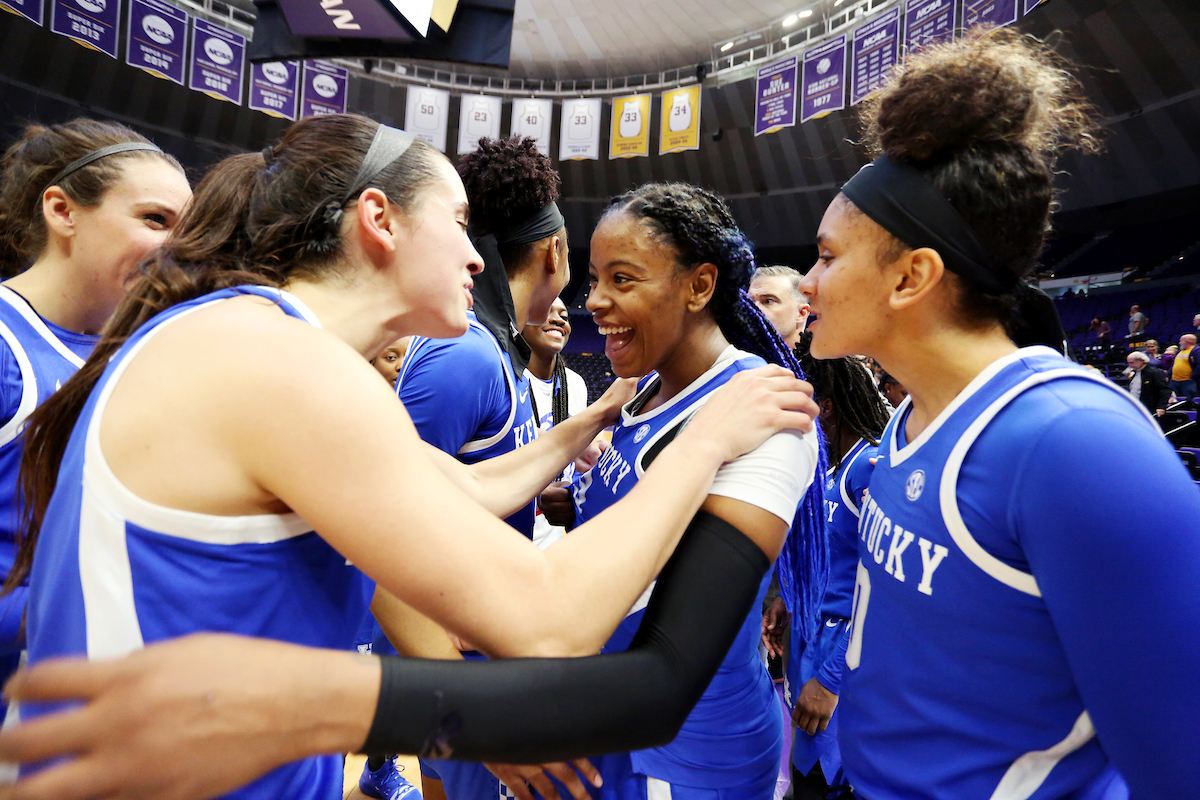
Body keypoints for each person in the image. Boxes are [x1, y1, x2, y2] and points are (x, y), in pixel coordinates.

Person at [0, 116, 818, 799]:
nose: (477, 256)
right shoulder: (275, 362)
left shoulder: (257, 341)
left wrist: (589, 421)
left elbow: (463, 488)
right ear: (380, 219)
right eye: (458, 222)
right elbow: (548, 620)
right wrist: (707, 439)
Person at [799, 29, 1200, 799]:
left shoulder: (1075, 445)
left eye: (826, 256)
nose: (808, 283)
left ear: (911, 277)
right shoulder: (906, 421)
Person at [543, 182, 823, 800]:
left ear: (699, 286)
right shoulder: (644, 389)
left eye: (622, 279)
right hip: (613, 716)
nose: (594, 301)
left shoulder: (762, 410)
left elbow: (670, 620)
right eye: (595, 279)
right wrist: (578, 498)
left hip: (686, 750)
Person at [0, 119, 188, 719]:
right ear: (62, 211)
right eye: (155, 219)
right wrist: (106, 611)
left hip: (77, 723)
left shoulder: (138, 353)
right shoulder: (7, 345)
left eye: (186, 230)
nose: (177, 249)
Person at [762, 333, 890, 800]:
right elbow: (831, 558)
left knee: (834, 784)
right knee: (806, 780)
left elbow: (886, 591)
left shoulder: (870, 468)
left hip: (843, 656)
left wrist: (832, 680)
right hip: (810, 644)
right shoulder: (831, 469)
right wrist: (789, 598)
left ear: (827, 408)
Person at [525, 297, 592, 549]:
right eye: (546, 311)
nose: (558, 319)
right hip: (504, 536)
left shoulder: (575, 384)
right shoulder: (504, 378)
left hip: (552, 540)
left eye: (564, 316)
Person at [748, 265, 810, 348]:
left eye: (768, 301)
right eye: (750, 301)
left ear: (801, 313)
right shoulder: (734, 354)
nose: (753, 308)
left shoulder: (824, 354)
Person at [1124, 351, 1169, 418]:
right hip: (1135, 407)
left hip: (1149, 409)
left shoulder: (1154, 372)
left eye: (1132, 363)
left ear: (1141, 361)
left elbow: (1165, 390)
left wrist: (1161, 407)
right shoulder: (1134, 373)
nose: (1130, 365)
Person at [1169, 332, 1197, 405]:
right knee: (1172, 401)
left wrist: (1193, 377)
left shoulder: (1196, 351)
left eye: (1181, 341)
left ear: (1187, 341)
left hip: (1188, 381)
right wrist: (1168, 375)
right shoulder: (1181, 351)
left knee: (1188, 402)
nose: (1179, 343)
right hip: (1174, 380)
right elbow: (1175, 364)